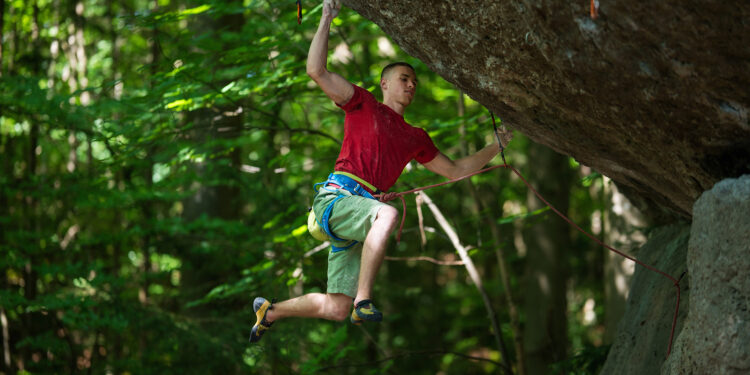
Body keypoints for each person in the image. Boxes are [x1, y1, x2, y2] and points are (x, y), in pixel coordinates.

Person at [250, 0, 510, 343]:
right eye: (404, 78)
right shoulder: (363, 103)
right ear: (384, 83)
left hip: (357, 217)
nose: (411, 85)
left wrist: (497, 145)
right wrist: (326, 16)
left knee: (336, 308)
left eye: (415, 81)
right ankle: (364, 300)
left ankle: (271, 311)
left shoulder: (415, 137)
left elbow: (456, 170)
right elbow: (317, 70)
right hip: (336, 200)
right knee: (385, 215)